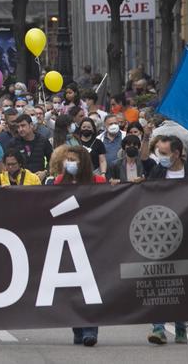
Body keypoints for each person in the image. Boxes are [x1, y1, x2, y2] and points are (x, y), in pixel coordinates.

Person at [145, 135, 188, 346]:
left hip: (186, 234)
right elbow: (146, 194)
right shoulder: (157, 171)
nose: (160, 157)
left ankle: (181, 326)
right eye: (159, 152)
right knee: (158, 280)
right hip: (159, 235)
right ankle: (158, 327)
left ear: (176, 153)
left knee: (182, 281)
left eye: (164, 153)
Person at [53, 145, 105, 346]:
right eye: (67, 159)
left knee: (90, 287)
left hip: (91, 239)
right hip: (67, 239)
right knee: (73, 289)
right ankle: (77, 327)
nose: (69, 163)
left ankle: (90, 329)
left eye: (73, 159)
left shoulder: (98, 181)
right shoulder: (59, 181)